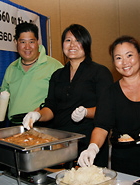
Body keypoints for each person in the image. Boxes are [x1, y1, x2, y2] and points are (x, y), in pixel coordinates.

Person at [77, 35, 140, 178]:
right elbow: (102, 126)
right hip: (123, 164)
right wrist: (92, 148)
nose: (125, 62)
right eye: (118, 58)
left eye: (129, 55)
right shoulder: (110, 92)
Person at [22, 24, 114, 167]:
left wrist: (86, 112)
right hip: (61, 144)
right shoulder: (57, 75)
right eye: (68, 40)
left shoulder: (100, 72)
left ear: (86, 44)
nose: (72, 45)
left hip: (90, 142)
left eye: (78, 40)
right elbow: (51, 107)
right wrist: (38, 115)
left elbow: (107, 110)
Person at [0, 22, 63, 126]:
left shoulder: (54, 66)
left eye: (31, 41)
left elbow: (65, 100)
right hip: (15, 127)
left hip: (44, 126)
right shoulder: (11, 68)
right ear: (16, 42)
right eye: (22, 42)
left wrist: (43, 110)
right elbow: (4, 94)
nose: (27, 47)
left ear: (37, 42)